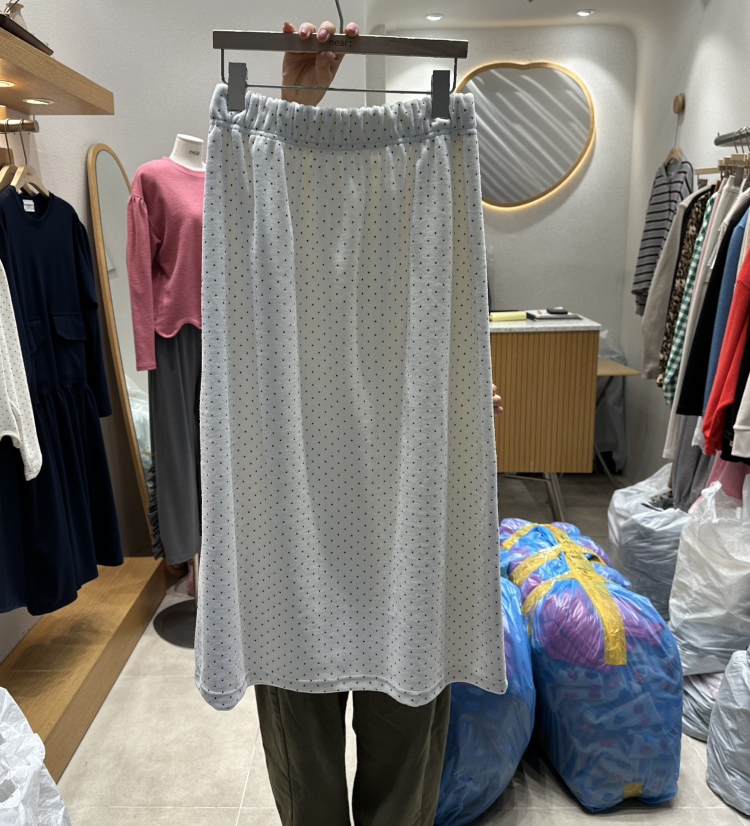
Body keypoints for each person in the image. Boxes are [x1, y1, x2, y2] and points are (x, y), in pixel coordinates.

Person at [250, 23, 504, 825]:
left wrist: (461, 405)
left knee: (404, 768)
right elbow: (257, 312)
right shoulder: (259, 188)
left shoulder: (438, 185)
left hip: (409, 514)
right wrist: (293, 110)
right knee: (310, 772)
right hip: (294, 510)